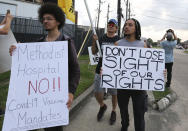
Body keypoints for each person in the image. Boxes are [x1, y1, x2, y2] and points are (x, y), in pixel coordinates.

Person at [9, 3, 80, 131]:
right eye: (44, 18)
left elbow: (75, 69)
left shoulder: (66, 42)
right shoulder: (38, 43)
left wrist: (71, 92)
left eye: (49, 18)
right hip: (37, 99)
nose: (45, 21)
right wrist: (17, 51)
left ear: (58, 21)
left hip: (56, 99)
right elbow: (27, 66)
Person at [115, 18, 148, 131]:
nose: (126, 27)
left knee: (139, 113)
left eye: (130, 25)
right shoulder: (117, 44)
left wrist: (158, 72)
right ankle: (125, 125)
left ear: (136, 28)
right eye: (125, 25)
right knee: (123, 110)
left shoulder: (142, 45)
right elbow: (113, 65)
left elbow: (148, 65)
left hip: (139, 87)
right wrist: (105, 71)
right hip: (122, 86)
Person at [92, 19, 120, 125]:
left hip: (114, 71)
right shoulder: (102, 38)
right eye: (109, 24)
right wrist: (94, 41)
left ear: (116, 28)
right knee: (97, 91)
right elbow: (94, 52)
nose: (111, 26)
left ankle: (113, 111)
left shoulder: (119, 40)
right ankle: (103, 106)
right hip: (100, 68)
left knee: (114, 93)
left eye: (113, 25)